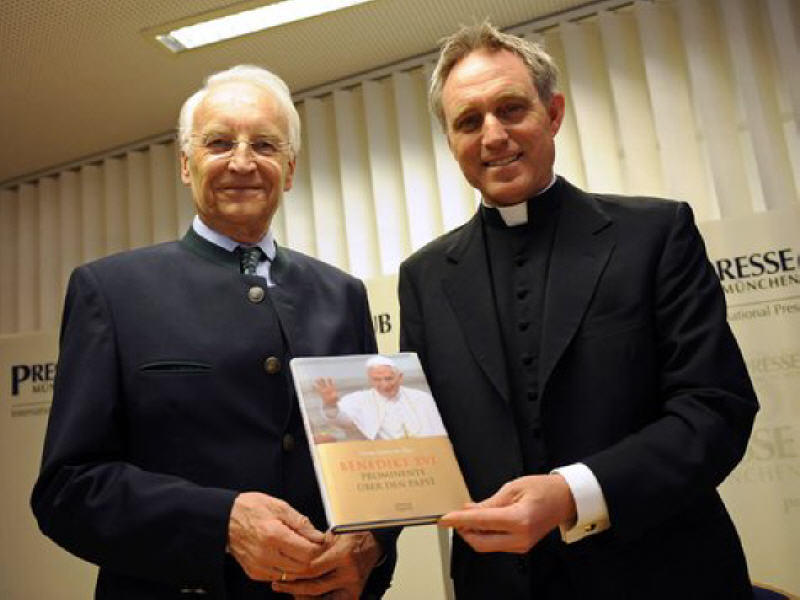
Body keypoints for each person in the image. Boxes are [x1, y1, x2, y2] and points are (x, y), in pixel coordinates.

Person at [398, 22, 758, 599]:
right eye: (468, 121)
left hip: (664, 577)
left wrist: (573, 493)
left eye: (511, 109)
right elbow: (419, 444)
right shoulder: (424, 278)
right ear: (450, 140)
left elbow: (716, 408)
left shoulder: (655, 234)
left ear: (553, 113)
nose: (493, 136)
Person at [31, 65, 395, 600]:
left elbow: (375, 467)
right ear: (186, 163)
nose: (242, 162)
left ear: (289, 170)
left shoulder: (341, 295)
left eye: (264, 145)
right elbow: (68, 489)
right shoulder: (111, 292)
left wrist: (372, 545)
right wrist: (219, 522)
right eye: (219, 143)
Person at [314, 355, 447, 441]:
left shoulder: (422, 398)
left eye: (388, 378)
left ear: (400, 378)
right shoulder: (359, 399)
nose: (384, 385)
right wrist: (330, 404)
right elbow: (341, 420)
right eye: (377, 380)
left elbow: (439, 433)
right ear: (370, 380)